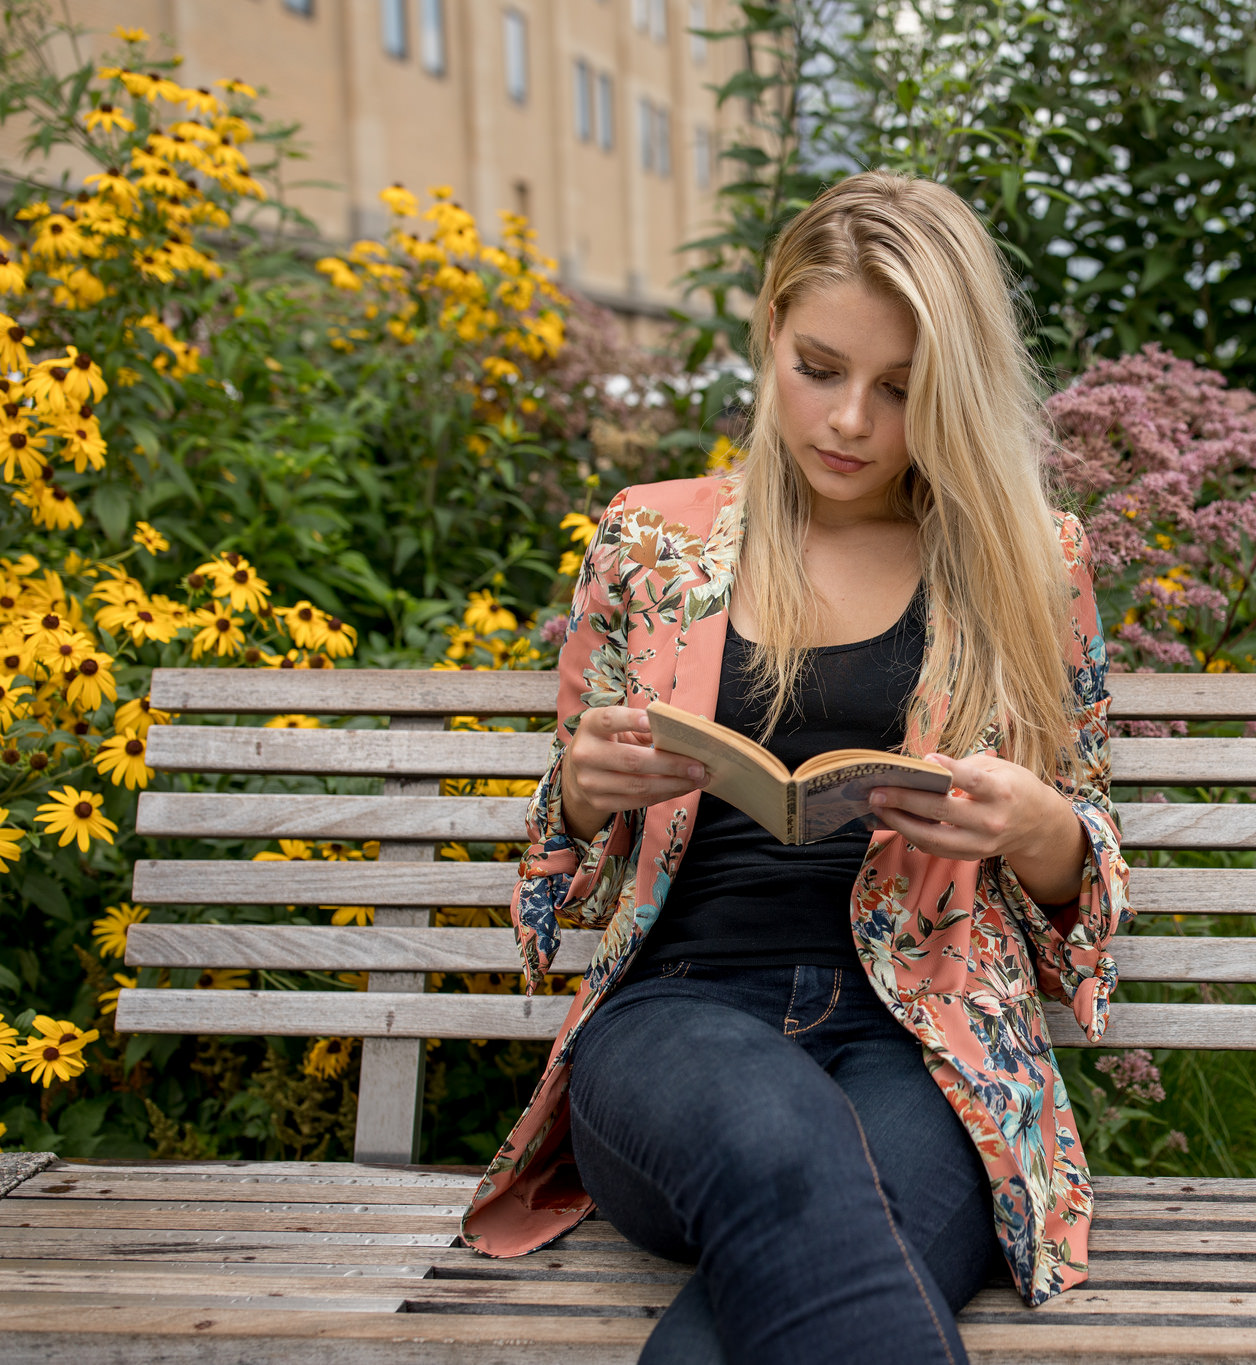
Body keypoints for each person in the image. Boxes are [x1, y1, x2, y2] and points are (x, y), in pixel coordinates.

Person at [458, 171, 1133, 1365]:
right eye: (818, 368)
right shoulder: (651, 542)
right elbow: (562, 853)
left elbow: (1084, 857)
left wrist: (1030, 823)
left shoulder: (1030, 562)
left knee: (758, 1304)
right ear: (768, 332)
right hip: (677, 1024)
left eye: (903, 391)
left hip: (922, 1039)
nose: (851, 423)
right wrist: (582, 787)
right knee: (782, 1136)